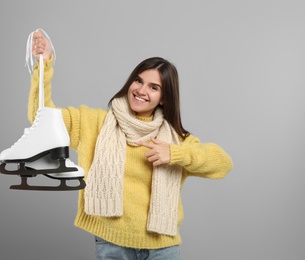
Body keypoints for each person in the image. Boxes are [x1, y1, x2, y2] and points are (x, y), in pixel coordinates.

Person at [29, 30, 233, 260]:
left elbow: (223, 164)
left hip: (163, 249)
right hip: (112, 244)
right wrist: (44, 66)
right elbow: (42, 119)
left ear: (164, 98)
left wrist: (175, 154)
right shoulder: (95, 123)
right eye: (138, 81)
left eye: (154, 87)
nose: (141, 90)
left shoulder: (175, 138)